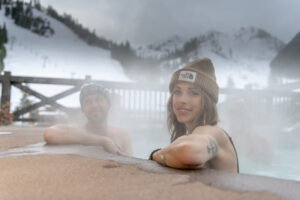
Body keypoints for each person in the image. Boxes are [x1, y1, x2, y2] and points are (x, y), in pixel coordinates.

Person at [149, 58, 239, 173]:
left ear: (207, 101)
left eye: (193, 93)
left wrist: (155, 155)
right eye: (177, 92)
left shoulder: (212, 132)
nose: (183, 100)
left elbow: (189, 153)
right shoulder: (197, 134)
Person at [43, 83, 133, 156]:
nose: (94, 105)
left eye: (99, 99)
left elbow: (135, 165)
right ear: (83, 109)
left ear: (108, 104)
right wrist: (103, 141)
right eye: (88, 102)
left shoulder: (122, 134)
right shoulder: (79, 131)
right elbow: (49, 134)